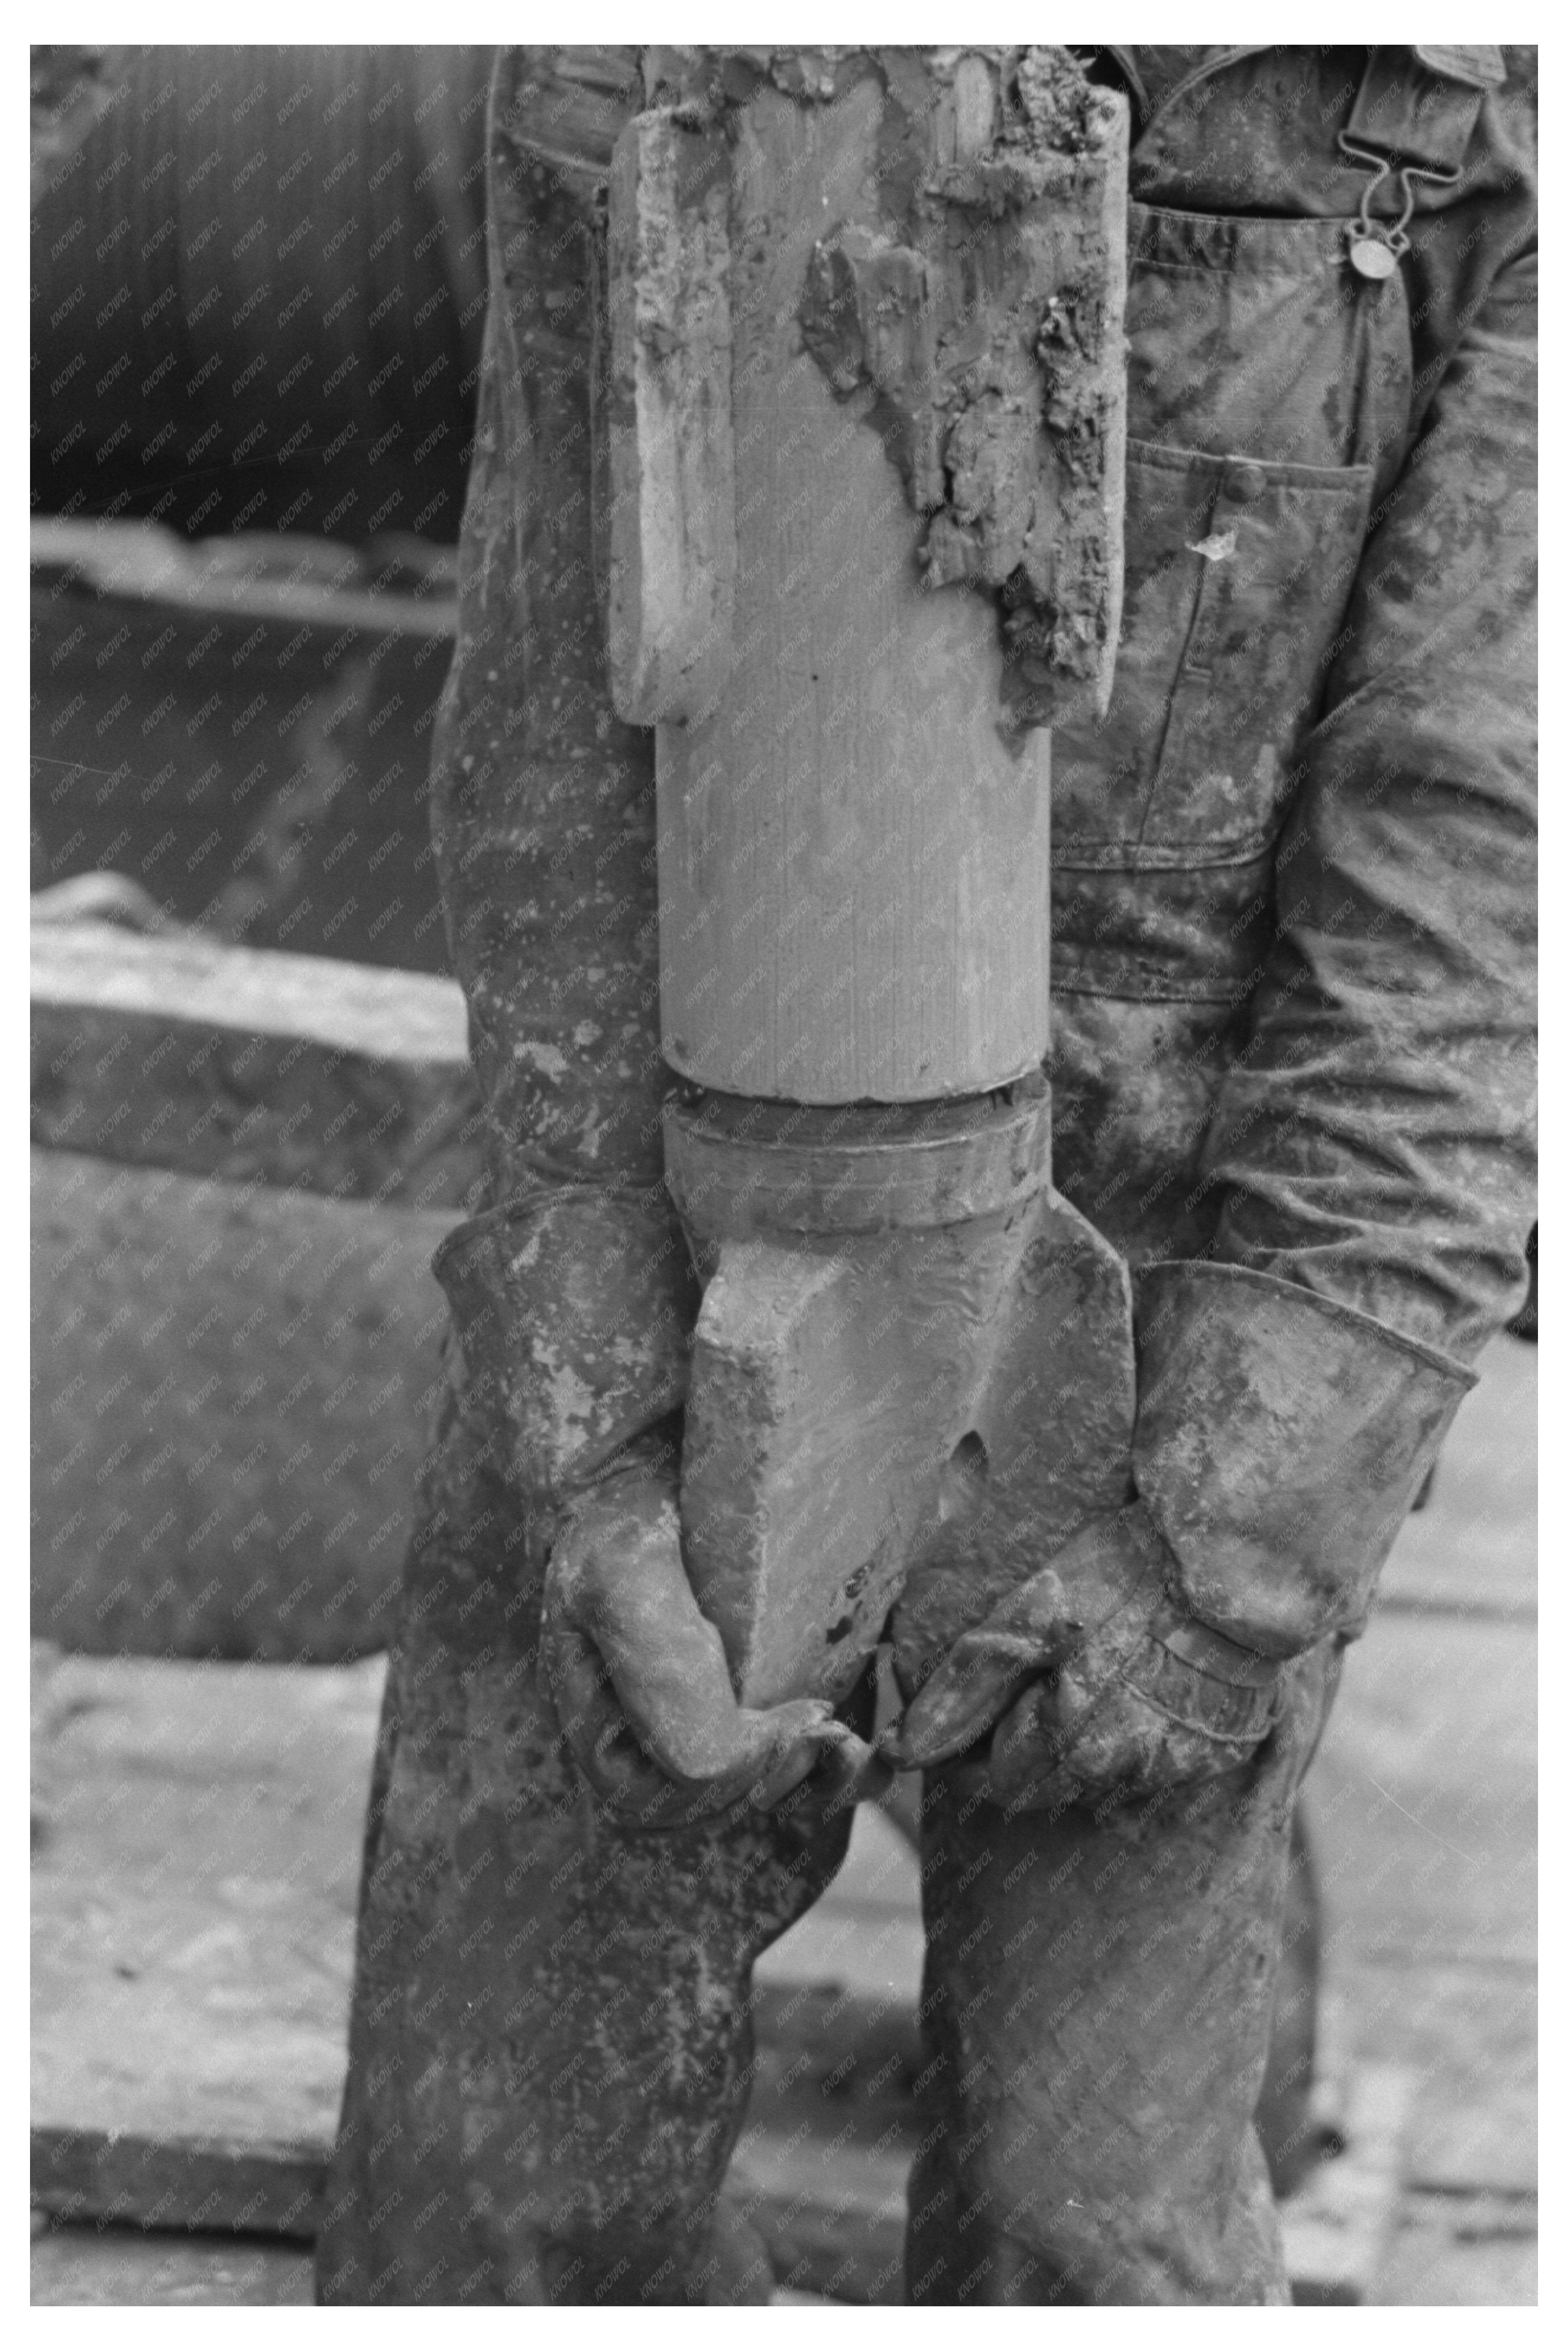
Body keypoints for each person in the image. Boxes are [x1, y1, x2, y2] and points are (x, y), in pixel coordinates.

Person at [317, 43, 1537, 2304]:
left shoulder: (1463, 127)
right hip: (682, 1223)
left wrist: (1236, 1558)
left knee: (1093, 2227)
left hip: (1165, 1297)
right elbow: (552, 755)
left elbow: (1466, 903)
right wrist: (594, 1441)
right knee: (500, 2194)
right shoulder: (637, 61)